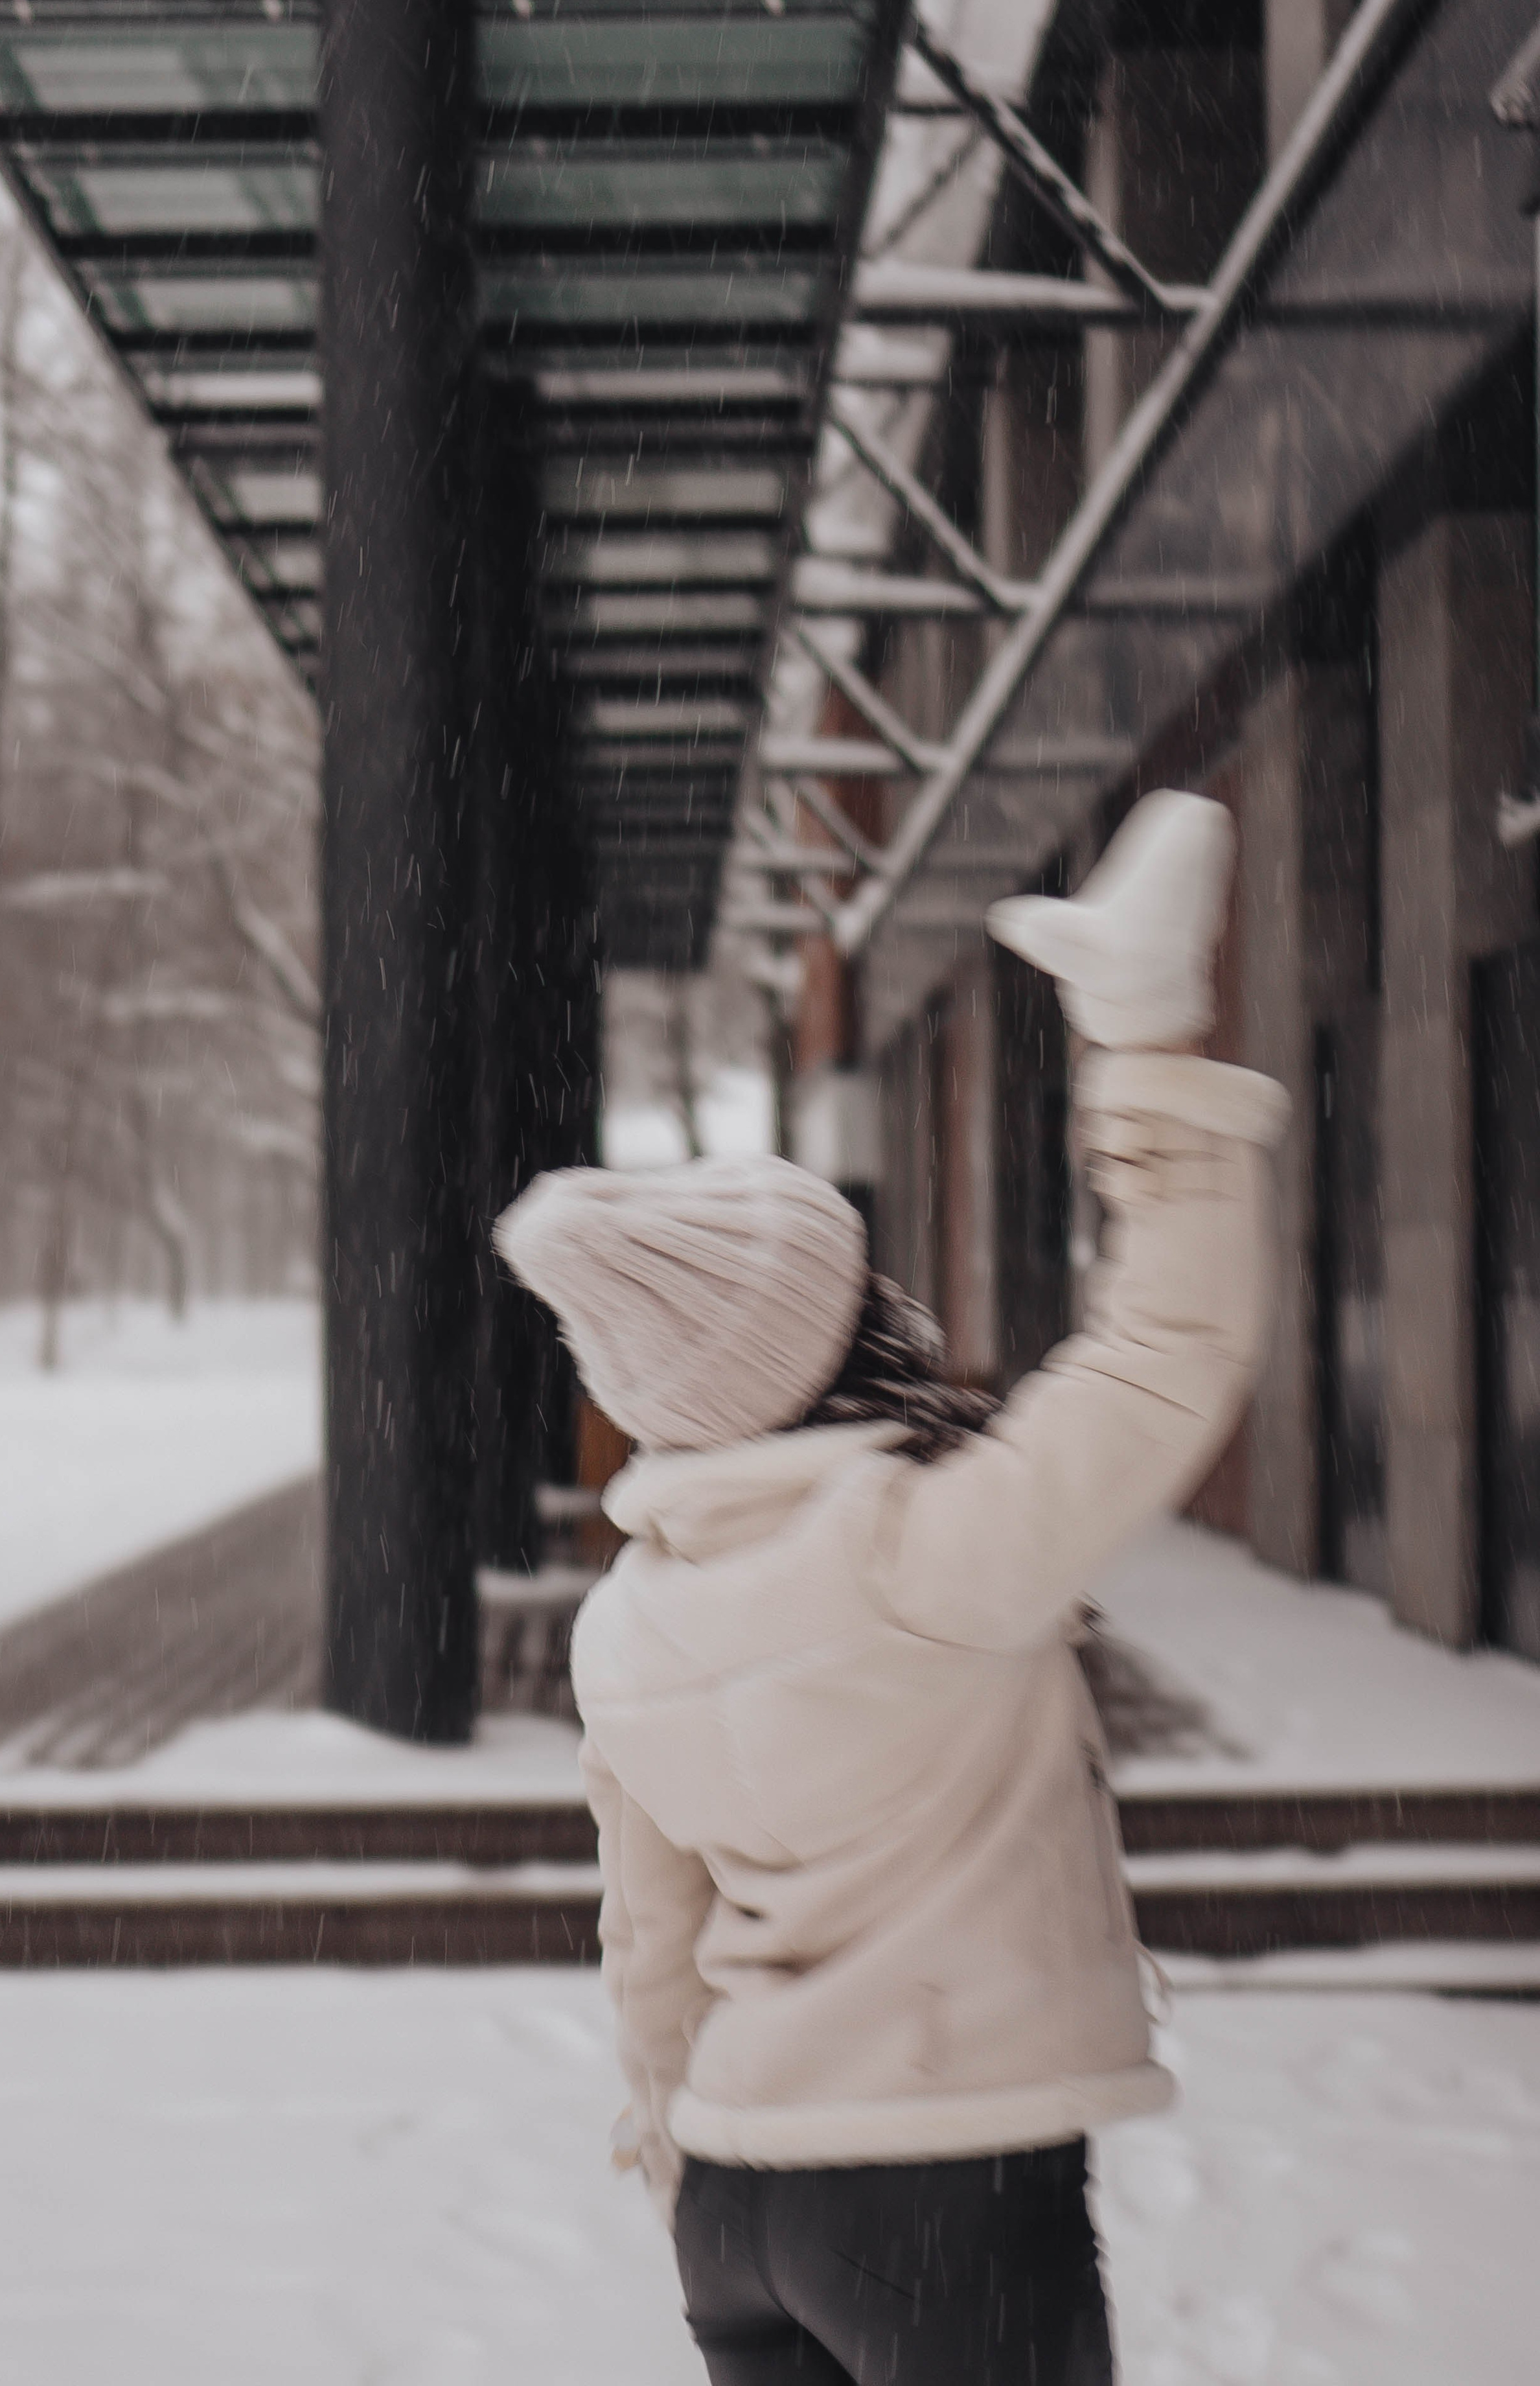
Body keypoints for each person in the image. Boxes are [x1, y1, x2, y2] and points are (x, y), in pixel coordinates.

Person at [496, 791, 1287, 2386]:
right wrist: (1142, 1034)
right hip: (941, 2199)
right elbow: (1166, 1346)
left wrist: (675, 2151)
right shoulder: (918, 1556)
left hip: (736, 2206)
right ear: (848, 1339)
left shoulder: (626, 1627)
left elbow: (650, 1941)